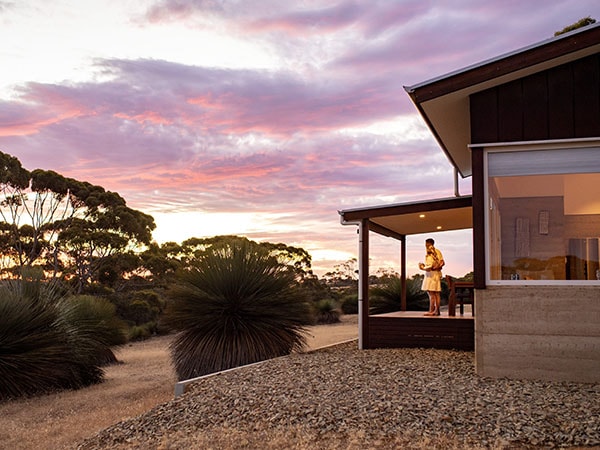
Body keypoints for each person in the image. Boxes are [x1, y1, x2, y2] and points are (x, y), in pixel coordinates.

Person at [418, 238, 445, 316]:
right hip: (432, 273)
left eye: (427, 244)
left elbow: (441, 263)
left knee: (432, 293)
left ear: (430, 244)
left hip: (432, 274)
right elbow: (441, 262)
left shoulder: (434, 252)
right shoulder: (433, 252)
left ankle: (432, 310)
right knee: (435, 293)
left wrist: (424, 267)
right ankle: (436, 311)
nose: (426, 246)